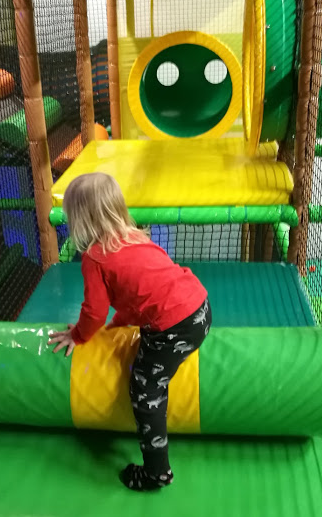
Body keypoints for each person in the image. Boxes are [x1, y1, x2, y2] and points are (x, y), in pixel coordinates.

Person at [49, 173, 211, 491]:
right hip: (201, 307)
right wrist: (119, 324)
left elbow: (94, 311)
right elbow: (141, 290)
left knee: (145, 390)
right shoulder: (136, 237)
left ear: (80, 220)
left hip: (174, 328)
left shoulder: (95, 258)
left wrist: (78, 336)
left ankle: (156, 472)